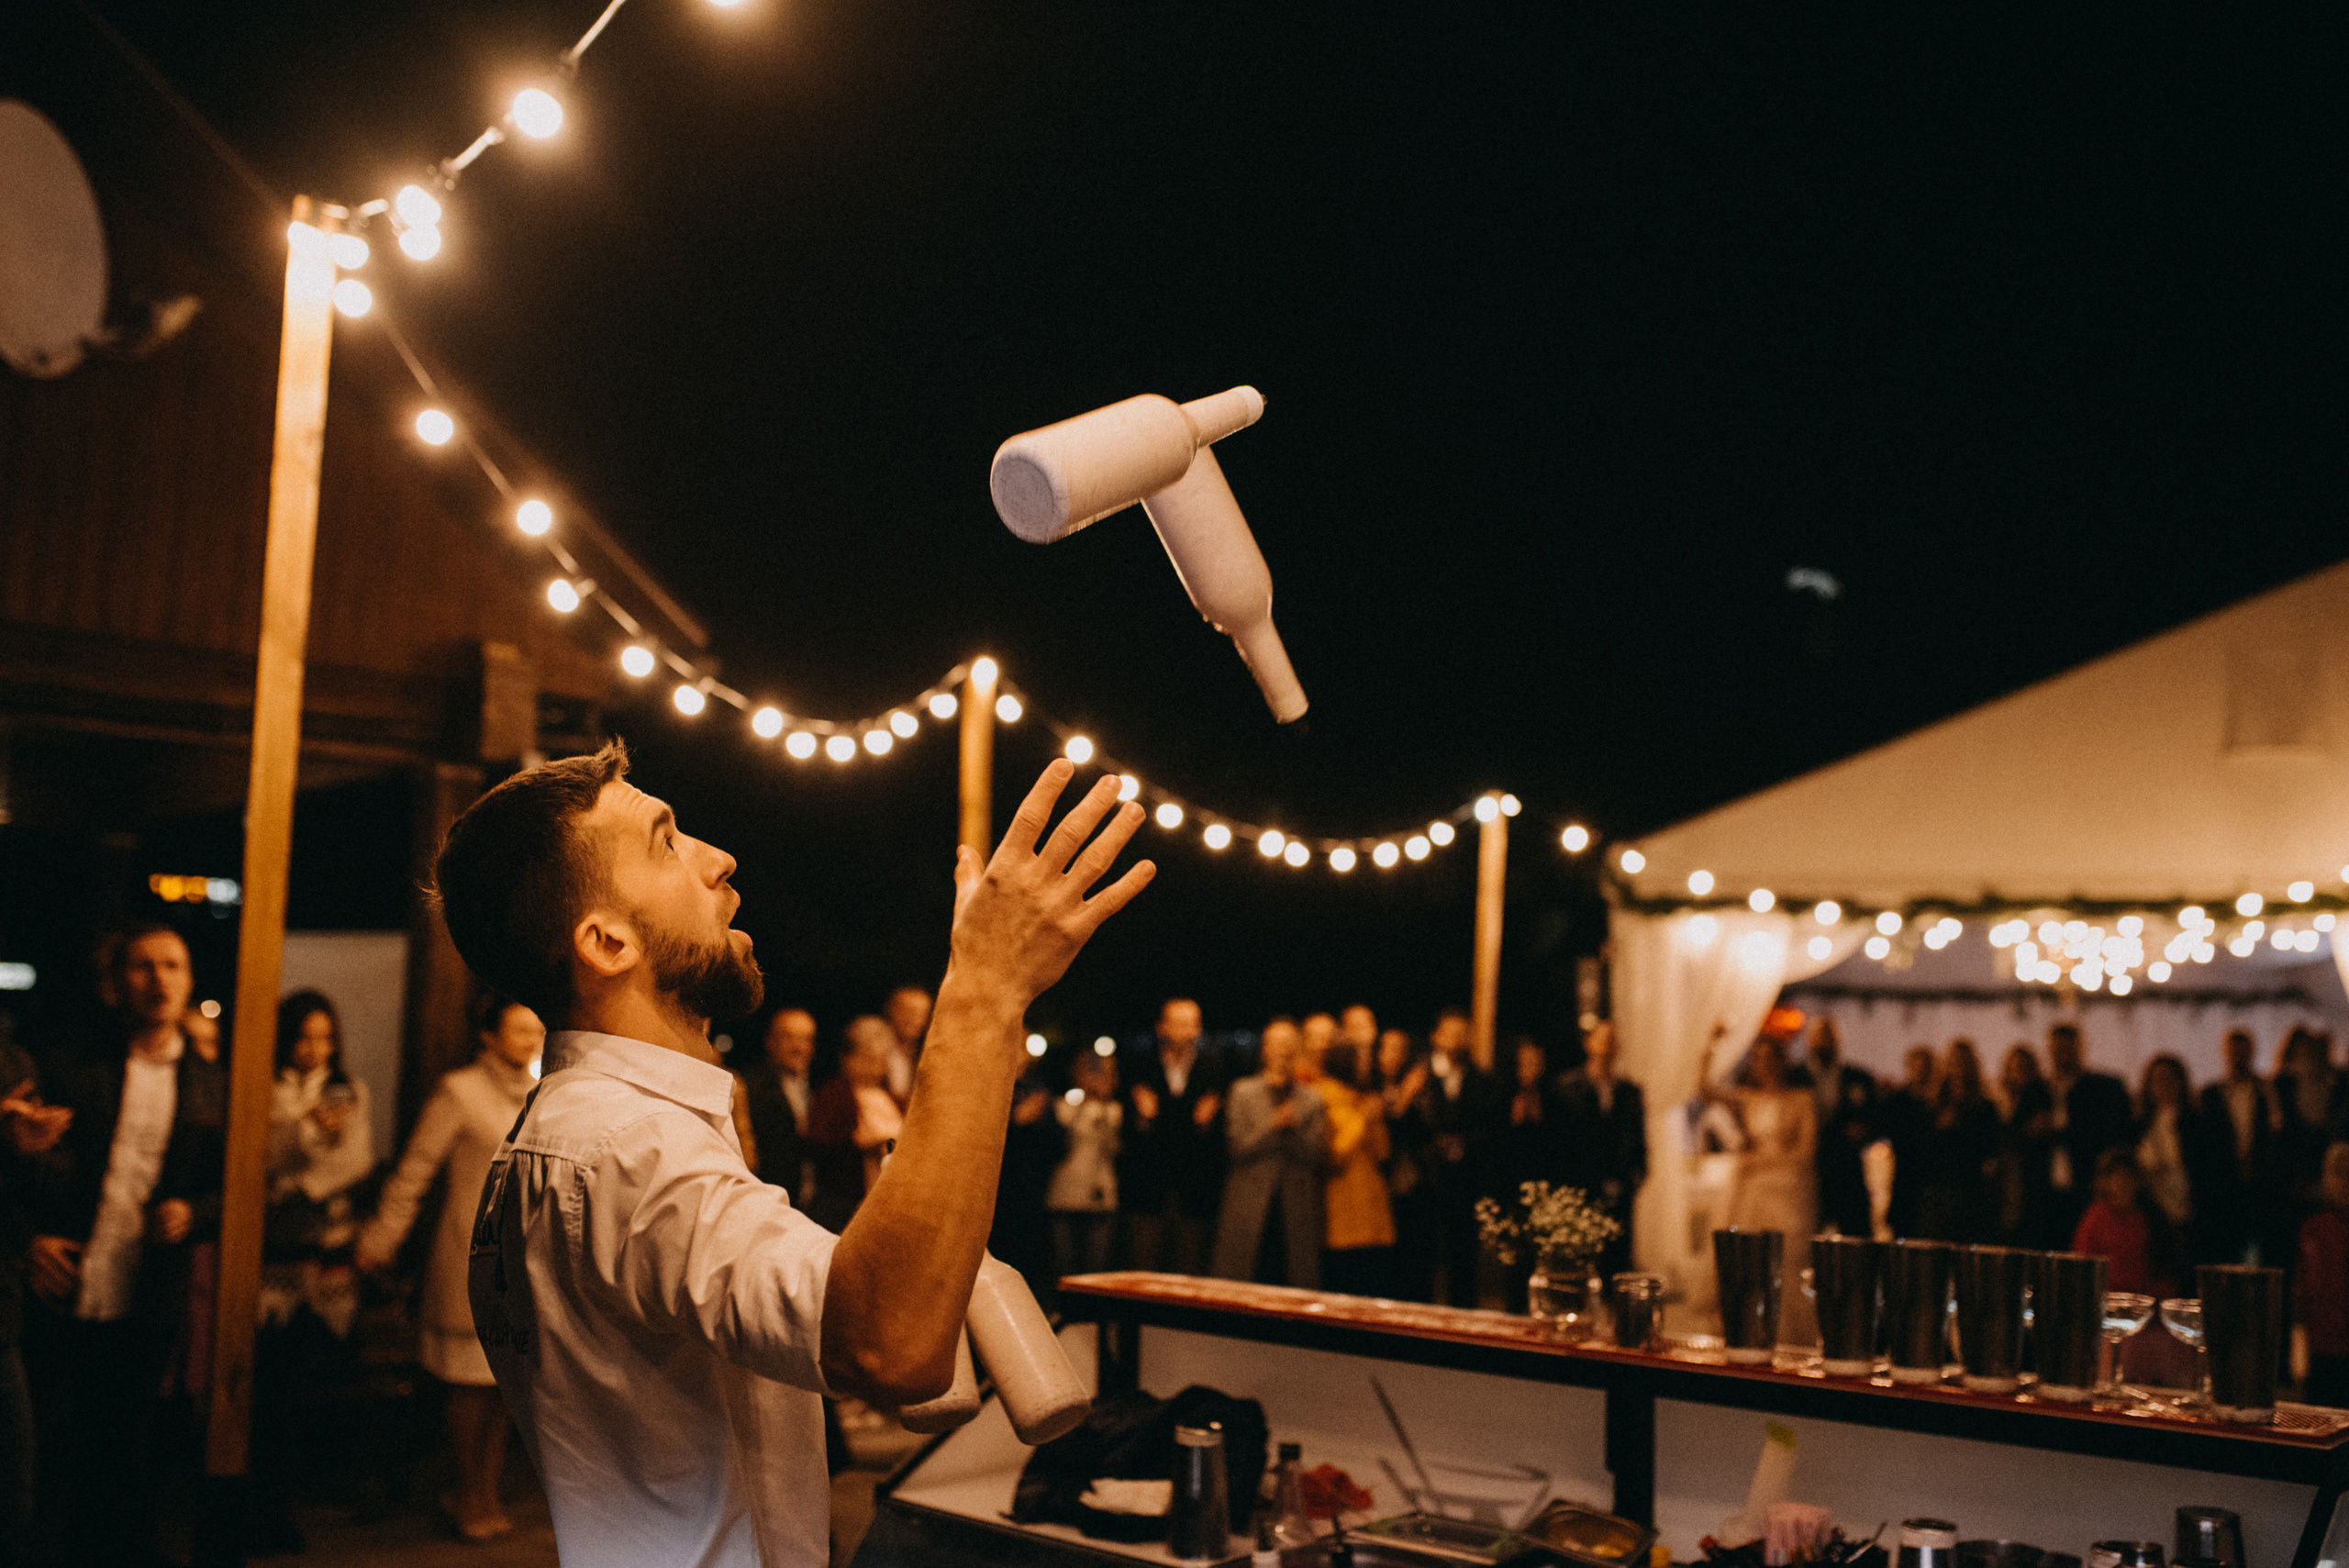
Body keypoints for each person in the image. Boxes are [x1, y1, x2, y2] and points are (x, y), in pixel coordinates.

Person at [440, 747, 1152, 1566]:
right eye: (667, 842)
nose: (718, 859)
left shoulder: (570, 1135)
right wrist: (988, 986)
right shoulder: (623, 1148)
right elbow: (888, 1340)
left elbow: (837, 1284)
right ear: (606, 942)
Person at [24, 923, 228, 1568]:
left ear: (190, 981)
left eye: (173, 964)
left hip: (147, 1285)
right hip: (58, 1277)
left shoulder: (210, 1082)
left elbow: (236, 1187)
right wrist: (28, 1238)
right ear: (119, 982)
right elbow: (19, 1163)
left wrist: (191, 1210)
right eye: (144, 965)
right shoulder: (66, 1061)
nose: (159, 978)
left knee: (130, 1436)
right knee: (45, 1442)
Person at [356, 992, 544, 1541]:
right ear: (488, 1037)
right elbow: (415, 1170)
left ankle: (483, 1488)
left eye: (537, 1030)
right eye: (519, 1030)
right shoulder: (459, 1091)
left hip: (527, 1258)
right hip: (468, 1249)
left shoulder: (544, 1095)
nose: (531, 1040)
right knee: (467, 1380)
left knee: (508, 1383)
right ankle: (469, 1488)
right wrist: (381, 1238)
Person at [252, 990, 377, 1551]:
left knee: (309, 1374)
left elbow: (355, 1159)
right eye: (305, 1036)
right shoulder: (264, 1086)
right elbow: (260, 1156)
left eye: (325, 1037)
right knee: (266, 1382)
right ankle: (261, 1502)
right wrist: (302, 1137)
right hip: (270, 1258)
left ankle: (301, 1494)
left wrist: (295, 1185)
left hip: (325, 1256)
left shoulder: (348, 1090)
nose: (315, 1047)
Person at [2, 1035, 71, 1568]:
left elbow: (40, 1194)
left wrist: (26, 1151)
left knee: (14, 1492)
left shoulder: (15, 1054)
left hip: (4, 1323)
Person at [1213, 1020, 1329, 1288]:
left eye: (1289, 1045)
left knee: (1293, 1281)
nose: (1283, 1052)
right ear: (1264, 1050)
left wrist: (1294, 1129)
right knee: (1242, 1281)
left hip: (1295, 1207)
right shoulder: (1242, 1091)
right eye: (1276, 1044)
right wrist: (1272, 1125)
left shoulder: (1311, 1098)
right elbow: (1236, 1149)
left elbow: (1318, 1155)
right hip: (1249, 1206)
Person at [1118, 997, 1227, 1276]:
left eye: (1190, 1023)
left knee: (1189, 1269)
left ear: (1199, 1029)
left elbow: (1221, 1138)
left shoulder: (1216, 1069)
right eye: (1176, 1023)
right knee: (1142, 1267)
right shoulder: (1139, 1066)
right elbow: (1125, 1133)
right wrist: (1143, 1117)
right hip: (1148, 1187)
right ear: (1161, 1027)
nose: (1183, 1030)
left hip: (1195, 1189)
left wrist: (1204, 1124)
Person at [1419, 1008, 1505, 1306]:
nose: (1456, 1040)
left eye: (1462, 1034)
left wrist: (1464, 1143)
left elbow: (1492, 1125)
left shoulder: (1481, 1078)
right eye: (1450, 1033)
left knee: (1464, 1253)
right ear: (1436, 1037)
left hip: (1466, 1178)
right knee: (1424, 1253)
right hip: (1425, 1178)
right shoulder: (1420, 1075)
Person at [1555, 1021, 1645, 1279]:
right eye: (1602, 1038)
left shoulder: (1630, 1092)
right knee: (1578, 1261)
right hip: (1579, 1186)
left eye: (1613, 1040)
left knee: (1617, 1260)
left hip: (1619, 1185)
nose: (1607, 1045)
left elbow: (1637, 1140)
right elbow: (1563, 1140)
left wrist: (1634, 1175)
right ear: (1588, 1043)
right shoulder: (1568, 1087)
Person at [805, 1017, 905, 1233]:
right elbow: (816, 1143)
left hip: (890, 1206)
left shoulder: (895, 1099)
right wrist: (859, 1145)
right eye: (865, 1058)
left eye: (879, 1060)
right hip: (842, 1207)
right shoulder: (832, 1094)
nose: (872, 1067)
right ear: (847, 1058)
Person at [2043, 1023, 2133, 1248]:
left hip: (2088, 1186)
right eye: (2057, 1049)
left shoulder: (2101, 1089)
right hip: (2045, 1195)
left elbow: (2111, 1134)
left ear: (2079, 1049)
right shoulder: (2038, 1090)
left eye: (2067, 1049)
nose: (2062, 1055)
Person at [1317, 1042, 1395, 1296]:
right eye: (1361, 1061)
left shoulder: (1363, 1097)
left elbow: (1382, 1153)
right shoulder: (1323, 1096)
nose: (1367, 1067)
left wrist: (1376, 1122)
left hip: (1373, 1209)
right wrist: (1363, 1119)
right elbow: (1334, 1156)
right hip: (1343, 1212)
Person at [2197, 1029, 2276, 1266]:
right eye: (2234, 1052)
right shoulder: (2210, 1094)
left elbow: (2274, 1131)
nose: (2239, 1057)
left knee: (2265, 1250)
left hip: (2260, 1182)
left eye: (2244, 1051)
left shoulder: (2267, 1092)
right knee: (2227, 1250)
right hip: (2224, 1185)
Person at [1914, 1039, 1999, 1244]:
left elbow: (1989, 1150)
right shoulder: (1932, 1106)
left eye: (1964, 1063)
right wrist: (1939, 1128)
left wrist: (1961, 1126)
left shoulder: (1985, 1108)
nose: (1959, 1069)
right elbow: (1919, 1150)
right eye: (1955, 1063)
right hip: (1936, 1193)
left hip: (1970, 1193)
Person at [1797, 1020, 1876, 1239]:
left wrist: (1863, 1132)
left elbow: (1877, 1121)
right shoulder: (1795, 1078)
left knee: (1856, 1238)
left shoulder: (1859, 1078)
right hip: (1809, 1173)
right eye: (1818, 1037)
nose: (1823, 1043)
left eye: (1828, 1037)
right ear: (1808, 1041)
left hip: (1848, 1171)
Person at [1046, 1051, 1122, 1281]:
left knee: (1096, 1263)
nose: (1094, 1078)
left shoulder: (1115, 1110)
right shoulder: (1063, 1106)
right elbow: (1061, 1143)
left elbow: (1114, 1148)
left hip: (1100, 1195)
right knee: (1064, 1262)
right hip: (1065, 1194)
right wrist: (1082, 1106)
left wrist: (1103, 1107)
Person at [1375, 1029, 1438, 1302]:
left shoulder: (1419, 1086)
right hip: (1382, 1183)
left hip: (1414, 1182)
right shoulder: (1371, 1087)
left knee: (1417, 1253)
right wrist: (1405, 1096)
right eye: (1389, 1049)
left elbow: (1427, 1130)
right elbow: (1387, 1136)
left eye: (1401, 1049)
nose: (1395, 1056)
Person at [739, 1007, 817, 1200]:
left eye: (806, 1039)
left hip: (812, 1204)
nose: (798, 1047)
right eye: (789, 1038)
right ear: (770, 1041)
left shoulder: (821, 1087)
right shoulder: (749, 1087)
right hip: (766, 1199)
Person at [2295, 1142, 2349, 1409]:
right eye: (2338, 1172)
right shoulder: (2314, 1227)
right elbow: (2306, 1287)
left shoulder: (2315, 1228)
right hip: (2323, 1343)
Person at [1992, 1043, 2054, 1245]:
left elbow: (2033, 1133)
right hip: (2005, 1175)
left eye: (2024, 1067)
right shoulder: (2001, 1098)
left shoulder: (2039, 1095)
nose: (2019, 1073)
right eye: (2015, 1067)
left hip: (2031, 1175)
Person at [1499, 1037, 1569, 1192]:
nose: (1532, 1067)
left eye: (1536, 1062)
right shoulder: (1502, 1096)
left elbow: (1560, 1141)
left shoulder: (1553, 1099)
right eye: (1527, 1062)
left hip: (1543, 1177)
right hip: (1508, 1177)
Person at [881, 985, 933, 1108]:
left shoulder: (926, 1056)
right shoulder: (872, 1050)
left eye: (921, 1014)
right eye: (907, 1011)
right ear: (890, 1010)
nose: (913, 1020)